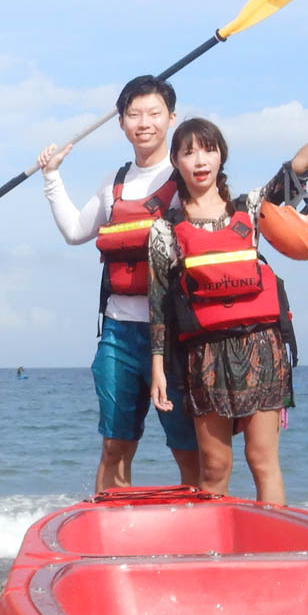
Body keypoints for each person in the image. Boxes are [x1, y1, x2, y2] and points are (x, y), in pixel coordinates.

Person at [148, 82, 308, 502]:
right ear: (175, 161)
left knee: (262, 459)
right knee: (215, 466)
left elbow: (295, 169)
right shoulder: (164, 230)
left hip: (262, 349)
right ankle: (218, 541)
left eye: (208, 150)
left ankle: (274, 537)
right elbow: (158, 303)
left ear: (221, 156)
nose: (199, 160)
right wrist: (158, 369)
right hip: (205, 356)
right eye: (189, 152)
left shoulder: (248, 209)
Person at [37, 76, 202, 490]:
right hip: (119, 333)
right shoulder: (114, 182)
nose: (144, 123)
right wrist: (52, 178)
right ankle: (110, 523)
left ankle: (199, 522)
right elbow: (75, 231)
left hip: (174, 334)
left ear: (172, 118)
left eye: (154, 113)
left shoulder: (185, 178)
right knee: (114, 447)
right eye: (134, 114)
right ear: (122, 122)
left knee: (187, 448)